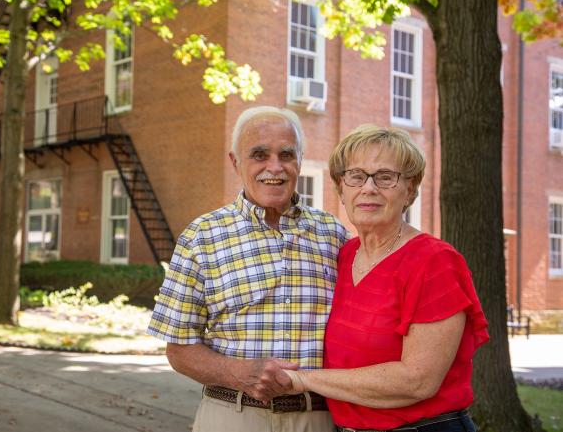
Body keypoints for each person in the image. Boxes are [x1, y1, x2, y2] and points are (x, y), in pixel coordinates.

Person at [147, 106, 348, 432]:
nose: (275, 167)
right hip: (233, 416)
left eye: (286, 154)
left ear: (300, 159)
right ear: (235, 162)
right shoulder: (202, 236)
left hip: (319, 418)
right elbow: (178, 348)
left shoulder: (334, 235)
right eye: (259, 154)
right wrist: (235, 371)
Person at [283, 124, 490, 432]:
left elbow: (417, 381)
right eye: (356, 176)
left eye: (385, 177)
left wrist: (301, 379)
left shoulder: (434, 261)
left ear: (410, 189)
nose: (369, 188)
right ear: (341, 189)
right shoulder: (344, 255)